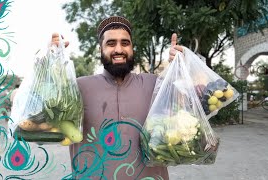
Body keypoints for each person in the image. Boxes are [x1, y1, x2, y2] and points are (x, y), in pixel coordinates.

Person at [52, 16, 183, 179]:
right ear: (100, 49)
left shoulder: (156, 84)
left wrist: (179, 68)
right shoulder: (77, 88)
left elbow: (189, 107)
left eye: (125, 43)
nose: (119, 49)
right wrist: (51, 66)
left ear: (132, 49)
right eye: (111, 43)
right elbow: (38, 113)